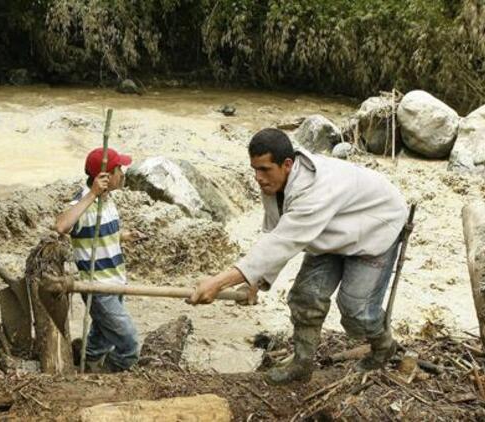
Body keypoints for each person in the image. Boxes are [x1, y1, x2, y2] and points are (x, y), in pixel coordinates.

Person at [188, 128, 408, 384]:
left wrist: (218, 282)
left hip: (375, 227)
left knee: (356, 312)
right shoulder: (275, 183)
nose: (258, 177)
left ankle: (384, 347)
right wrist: (254, 282)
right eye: (254, 169)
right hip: (331, 230)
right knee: (305, 298)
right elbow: (274, 235)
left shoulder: (314, 190)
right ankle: (302, 364)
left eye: (264, 169)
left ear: (287, 164)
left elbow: (284, 241)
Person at [55, 147, 142, 372]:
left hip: (115, 281)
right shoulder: (84, 203)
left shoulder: (107, 201)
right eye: (118, 169)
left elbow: (97, 236)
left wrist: (123, 236)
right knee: (129, 346)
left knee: (102, 338)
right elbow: (62, 226)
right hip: (99, 287)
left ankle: (84, 365)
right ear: (104, 176)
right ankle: (104, 377)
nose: (122, 173)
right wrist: (92, 194)